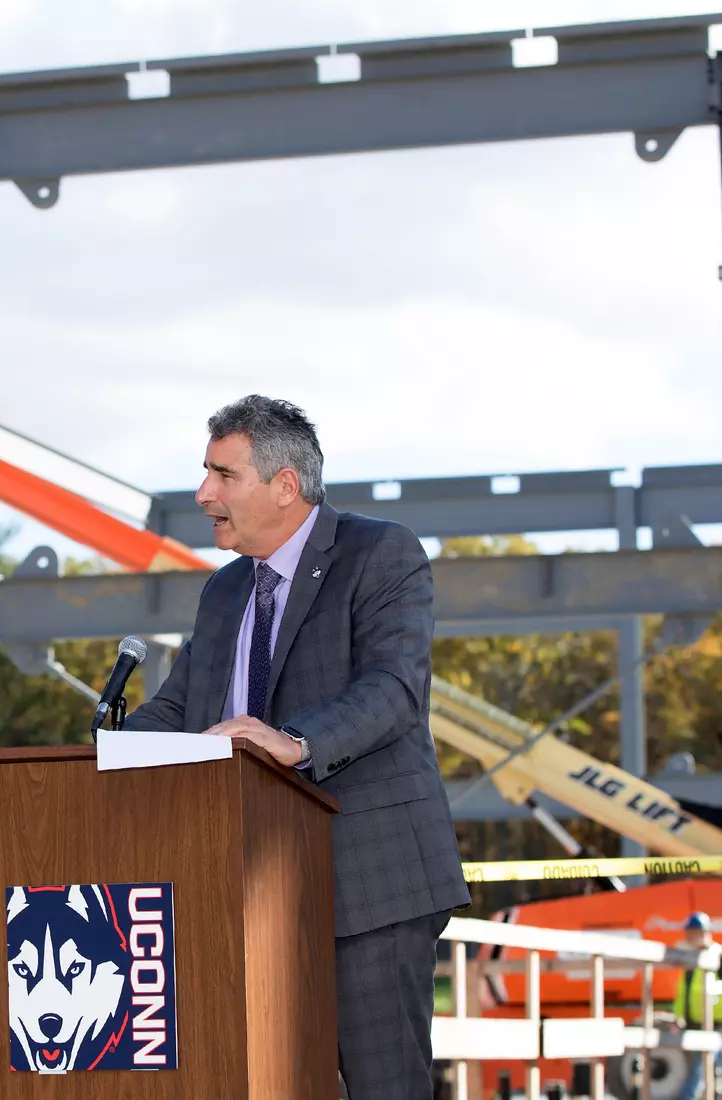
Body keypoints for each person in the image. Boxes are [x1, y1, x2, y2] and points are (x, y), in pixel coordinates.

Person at [123, 394, 469, 1100]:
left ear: (284, 486)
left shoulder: (382, 553)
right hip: (239, 892)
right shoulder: (223, 593)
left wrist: (294, 742)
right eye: (205, 473)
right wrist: (104, 756)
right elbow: (180, 710)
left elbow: (395, 689)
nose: (203, 493)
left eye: (223, 474)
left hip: (368, 883)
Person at [672, 911, 718, 1100]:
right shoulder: (691, 959)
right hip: (694, 1025)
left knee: (697, 1076)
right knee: (702, 1074)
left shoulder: (716, 955)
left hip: (715, 1025)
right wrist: (677, 1017)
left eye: (692, 932)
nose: (688, 937)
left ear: (703, 932)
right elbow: (684, 993)